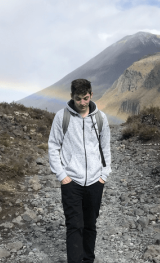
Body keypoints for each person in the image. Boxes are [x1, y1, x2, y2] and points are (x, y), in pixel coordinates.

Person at [48, 78, 111, 263]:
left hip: (95, 182)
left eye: (85, 98)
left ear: (91, 95)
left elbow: (105, 148)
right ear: (71, 97)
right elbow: (53, 146)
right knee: (74, 226)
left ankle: (88, 260)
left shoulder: (100, 118)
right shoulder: (62, 117)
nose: (82, 103)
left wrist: (104, 175)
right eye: (78, 99)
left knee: (90, 225)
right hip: (71, 182)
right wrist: (62, 175)